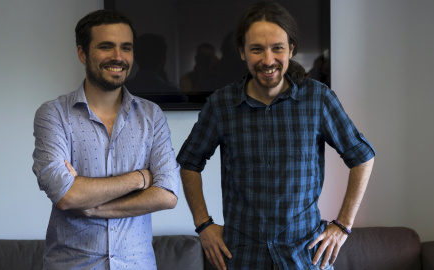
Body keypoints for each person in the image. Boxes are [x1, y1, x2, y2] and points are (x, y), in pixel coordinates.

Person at [176, 1, 375, 270]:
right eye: (257, 49)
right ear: (242, 52)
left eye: (277, 48)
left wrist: (343, 225)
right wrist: (203, 225)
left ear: (291, 49)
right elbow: (189, 162)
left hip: (305, 257)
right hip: (242, 257)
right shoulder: (221, 104)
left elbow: (362, 156)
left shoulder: (318, 99)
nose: (268, 60)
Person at [32, 10, 180, 269]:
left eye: (126, 48)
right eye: (106, 47)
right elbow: (66, 195)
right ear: (82, 53)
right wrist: (141, 178)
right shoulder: (53, 114)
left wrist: (93, 207)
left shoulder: (151, 115)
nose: (118, 57)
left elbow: (167, 194)